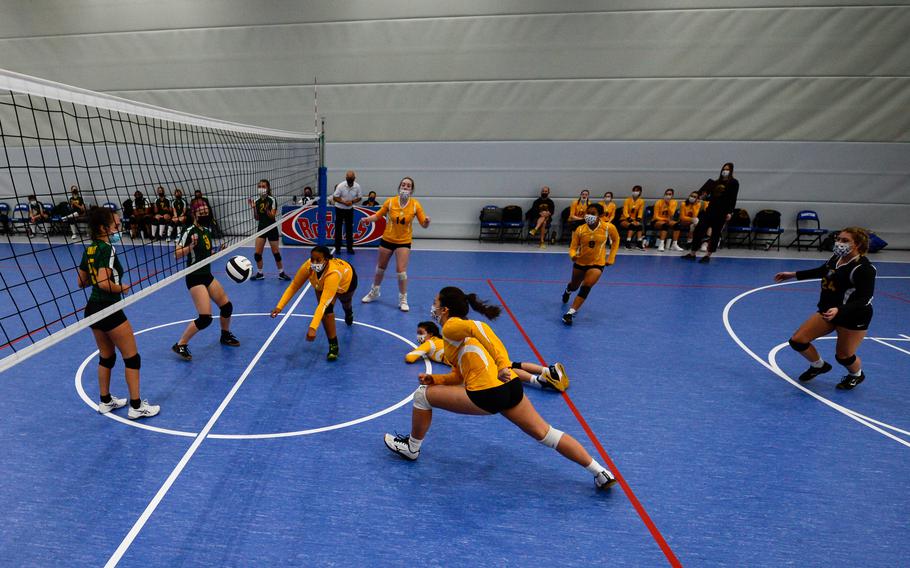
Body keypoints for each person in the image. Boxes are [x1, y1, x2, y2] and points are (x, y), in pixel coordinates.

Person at [383, 286, 616, 490]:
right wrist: (438, 380)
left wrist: (504, 363)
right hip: (510, 388)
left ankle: (411, 448)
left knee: (422, 396)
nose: (432, 307)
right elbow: (460, 375)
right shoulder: (457, 338)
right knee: (547, 434)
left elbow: (483, 329)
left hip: (487, 395)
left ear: (444, 310)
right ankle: (600, 472)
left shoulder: (452, 326)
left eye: (435, 303)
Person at [77, 206, 159, 419]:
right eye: (116, 225)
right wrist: (121, 287)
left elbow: (81, 282)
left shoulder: (91, 249)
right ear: (104, 228)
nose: (119, 228)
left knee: (107, 356)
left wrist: (100, 280)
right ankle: (136, 406)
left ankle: (105, 401)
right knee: (132, 357)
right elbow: (105, 283)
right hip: (108, 309)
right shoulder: (107, 249)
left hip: (93, 308)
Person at [774, 227, 876, 390]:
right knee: (798, 341)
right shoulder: (836, 258)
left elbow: (866, 298)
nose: (839, 243)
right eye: (839, 239)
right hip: (828, 311)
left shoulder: (864, 268)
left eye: (845, 241)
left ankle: (856, 375)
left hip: (853, 316)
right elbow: (822, 271)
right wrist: (793, 274)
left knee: (843, 356)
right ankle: (818, 365)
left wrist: (840, 310)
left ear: (857, 244)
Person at [404, 320, 569, 392]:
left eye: (420, 333)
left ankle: (540, 380)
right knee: (513, 364)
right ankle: (547, 370)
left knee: (508, 368)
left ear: (430, 333)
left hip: (472, 358)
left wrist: (418, 351)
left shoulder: (430, 343)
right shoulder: (442, 341)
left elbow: (410, 358)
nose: (418, 337)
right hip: (478, 348)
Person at [171, 204, 240, 361]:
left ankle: (225, 335)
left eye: (206, 212)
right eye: (202, 212)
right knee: (205, 318)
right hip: (194, 277)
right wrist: (190, 246)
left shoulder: (206, 231)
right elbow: (176, 254)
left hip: (206, 274)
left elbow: (205, 254)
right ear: (195, 214)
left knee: (227, 306)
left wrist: (218, 252)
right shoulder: (188, 230)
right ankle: (180, 344)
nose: (205, 214)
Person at [271, 245, 357, 361]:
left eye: (318, 260)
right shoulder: (308, 266)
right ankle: (333, 345)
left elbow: (323, 303)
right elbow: (294, 286)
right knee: (326, 311)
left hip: (346, 280)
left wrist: (313, 328)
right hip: (322, 283)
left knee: (345, 302)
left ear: (326, 260)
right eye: (312, 259)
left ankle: (348, 311)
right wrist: (279, 306)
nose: (314, 262)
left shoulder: (333, 274)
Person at [361, 176, 431, 312]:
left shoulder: (415, 205)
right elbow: (378, 215)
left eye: (408, 186)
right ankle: (374, 292)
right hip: (387, 239)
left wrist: (427, 222)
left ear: (411, 190)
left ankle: (403, 299)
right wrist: (368, 219)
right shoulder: (391, 202)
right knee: (380, 268)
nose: (405, 187)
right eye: (403, 185)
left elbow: (423, 224)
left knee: (401, 271)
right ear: (399, 187)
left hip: (404, 241)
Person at [562, 203, 620, 325]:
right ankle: (568, 290)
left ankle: (570, 313)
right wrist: (573, 256)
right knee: (574, 286)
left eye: (593, 213)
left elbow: (616, 240)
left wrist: (611, 257)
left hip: (597, 263)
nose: (589, 216)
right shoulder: (580, 229)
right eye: (587, 213)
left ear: (601, 215)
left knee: (587, 285)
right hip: (581, 263)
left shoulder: (609, 228)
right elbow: (573, 247)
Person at [683, 162, 740, 263]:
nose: (725, 171)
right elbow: (707, 196)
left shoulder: (734, 183)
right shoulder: (715, 182)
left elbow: (733, 199)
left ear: (731, 171)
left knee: (715, 233)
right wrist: (703, 195)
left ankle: (708, 255)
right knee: (699, 228)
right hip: (710, 210)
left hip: (722, 211)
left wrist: (730, 212)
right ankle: (693, 253)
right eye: (724, 169)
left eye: (727, 169)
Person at [248, 179, 290, 281]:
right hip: (261, 228)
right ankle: (260, 273)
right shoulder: (257, 201)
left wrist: (267, 209)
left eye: (263, 186)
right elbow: (257, 218)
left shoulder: (272, 199)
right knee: (257, 254)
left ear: (268, 188)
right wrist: (254, 208)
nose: (261, 188)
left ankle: (281, 273)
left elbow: (272, 216)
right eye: (260, 186)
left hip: (271, 227)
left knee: (276, 253)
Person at [332, 170, 362, 255]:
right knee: (338, 229)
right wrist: (343, 202)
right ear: (346, 178)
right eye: (348, 178)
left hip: (349, 209)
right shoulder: (340, 186)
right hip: (339, 209)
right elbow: (335, 197)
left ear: (354, 178)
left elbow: (359, 197)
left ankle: (350, 248)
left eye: (351, 178)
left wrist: (352, 202)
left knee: (349, 229)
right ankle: (337, 248)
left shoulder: (357, 186)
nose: (350, 179)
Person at [619, 186, 645, 250]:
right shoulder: (627, 200)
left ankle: (639, 243)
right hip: (624, 219)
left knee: (640, 226)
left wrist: (638, 220)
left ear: (640, 192)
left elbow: (640, 212)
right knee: (632, 226)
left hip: (634, 219)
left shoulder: (641, 201)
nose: (635, 192)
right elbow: (625, 212)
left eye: (637, 191)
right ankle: (627, 243)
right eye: (634, 190)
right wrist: (630, 220)